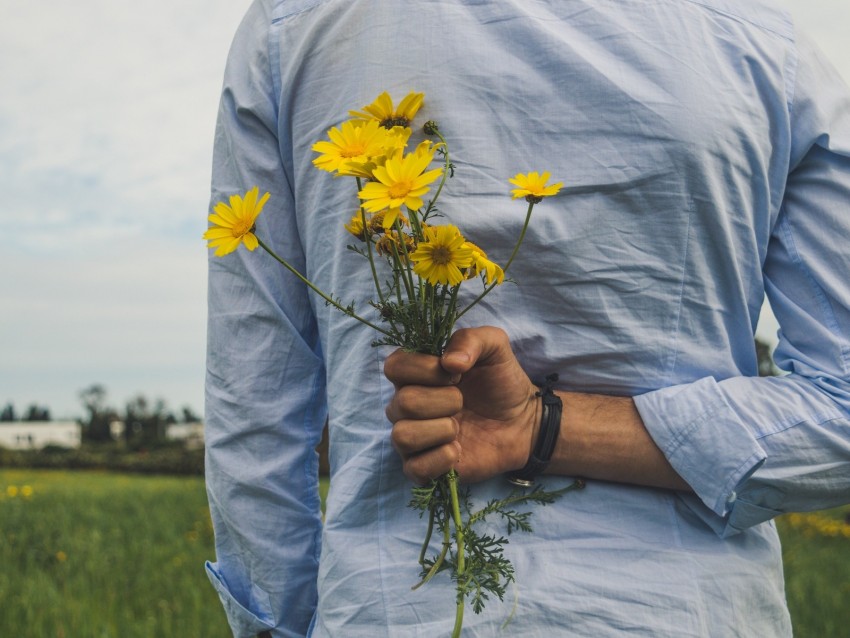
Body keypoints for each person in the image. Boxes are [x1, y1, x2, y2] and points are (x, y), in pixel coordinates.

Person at [204, 0, 850, 636]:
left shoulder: (296, 25)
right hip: (689, 609)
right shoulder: (766, 43)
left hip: (391, 607)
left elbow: (255, 403)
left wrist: (536, 427)